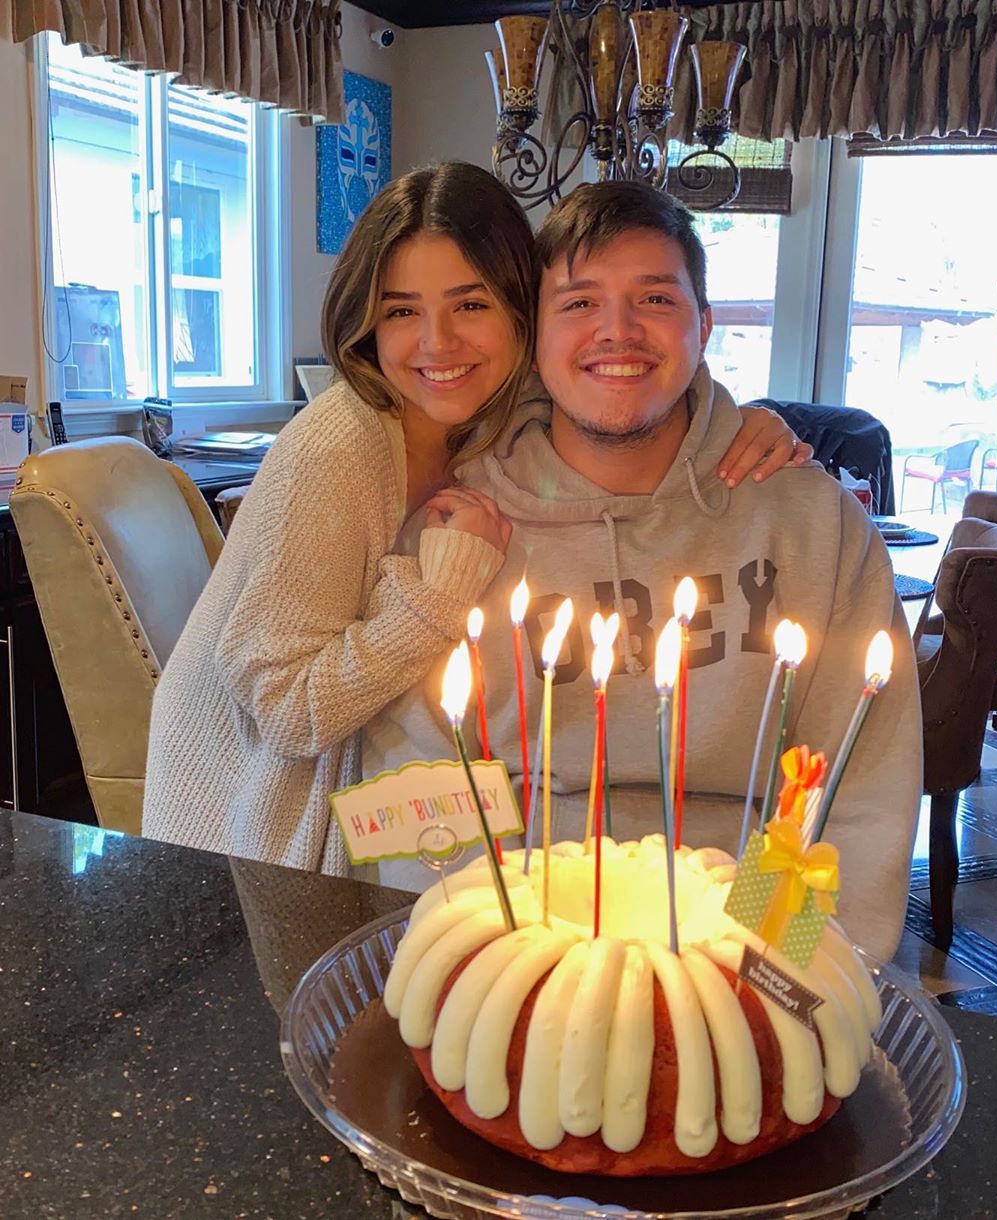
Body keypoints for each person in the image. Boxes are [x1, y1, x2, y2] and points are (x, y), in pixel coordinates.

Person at [142, 163, 804, 874]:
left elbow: (629, 370)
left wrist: (735, 422)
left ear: (523, 311)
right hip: (253, 830)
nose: (438, 344)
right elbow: (288, 712)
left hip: (382, 815)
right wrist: (438, 596)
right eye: (400, 311)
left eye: (471, 305)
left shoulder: (509, 411)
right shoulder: (340, 448)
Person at [363, 182, 921, 962]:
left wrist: (769, 976)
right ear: (535, 335)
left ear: (704, 326)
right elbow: (413, 774)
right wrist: (487, 956)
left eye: (655, 298)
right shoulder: (458, 525)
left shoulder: (814, 526)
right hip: (520, 937)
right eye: (580, 303)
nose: (617, 332)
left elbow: (854, 787)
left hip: (735, 941)